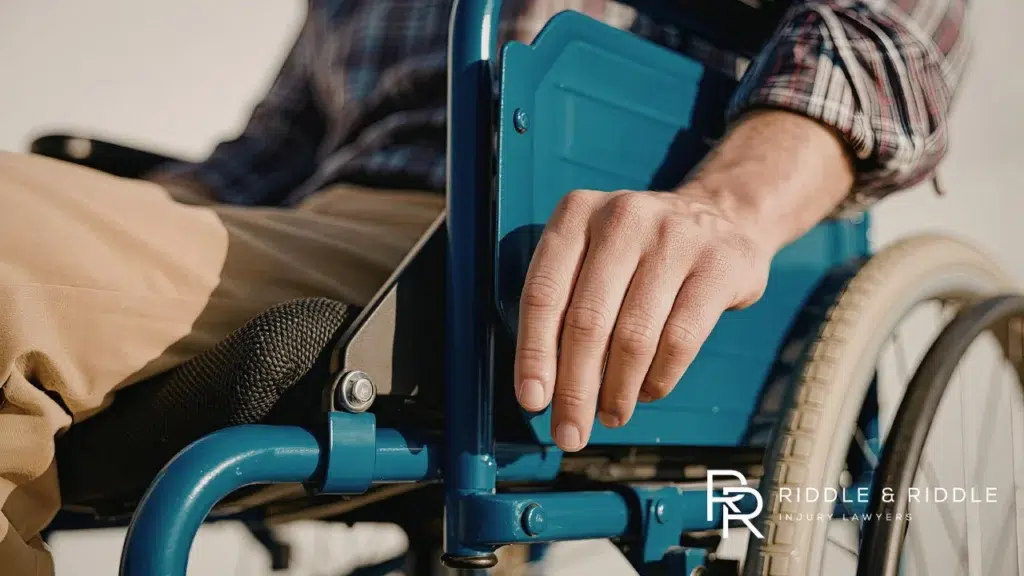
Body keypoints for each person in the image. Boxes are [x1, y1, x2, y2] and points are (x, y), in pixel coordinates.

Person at [0, 0, 968, 573]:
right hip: (325, 218)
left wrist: (728, 204)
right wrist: (98, 209)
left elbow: (888, 34)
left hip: (526, 225)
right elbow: (269, 155)